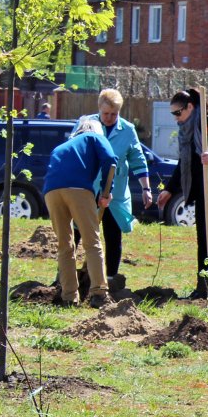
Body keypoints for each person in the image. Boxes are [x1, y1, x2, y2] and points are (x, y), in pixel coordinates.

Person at [155, 88, 208, 299]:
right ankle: (204, 287)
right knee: (203, 237)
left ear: (190, 107)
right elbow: (184, 162)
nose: (176, 118)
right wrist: (169, 189)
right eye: (173, 114)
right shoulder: (186, 130)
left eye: (178, 113)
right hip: (202, 188)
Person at [43, 117, 116, 308]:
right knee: (92, 242)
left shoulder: (61, 146)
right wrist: (106, 192)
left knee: (65, 245)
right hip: (78, 190)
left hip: (51, 192)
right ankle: (99, 293)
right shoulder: (95, 137)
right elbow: (110, 159)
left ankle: (68, 296)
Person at [87, 89, 151, 289]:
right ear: (99, 109)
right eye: (106, 113)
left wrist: (146, 188)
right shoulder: (88, 124)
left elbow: (138, 159)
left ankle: (111, 278)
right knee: (79, 231)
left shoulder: (128, 129)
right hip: (88, 188)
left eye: (114, 114)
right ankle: (65, 275)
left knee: (113, 235)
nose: (109, 118)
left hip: (115, 191)